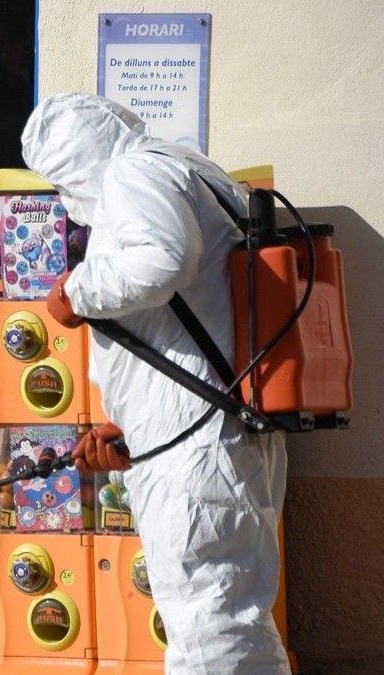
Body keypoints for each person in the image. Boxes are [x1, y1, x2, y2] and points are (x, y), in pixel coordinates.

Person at [23, 93, 290, 673]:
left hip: (197, 452)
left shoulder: (132, 172)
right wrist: (133, 423)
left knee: (207, 625)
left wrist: (76, 292)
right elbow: (194, 317)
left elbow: (166, 261)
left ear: (73, 161)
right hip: (213, 431)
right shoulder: (186, 167)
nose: (65, 199)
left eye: (59, 181)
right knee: (230, 617)